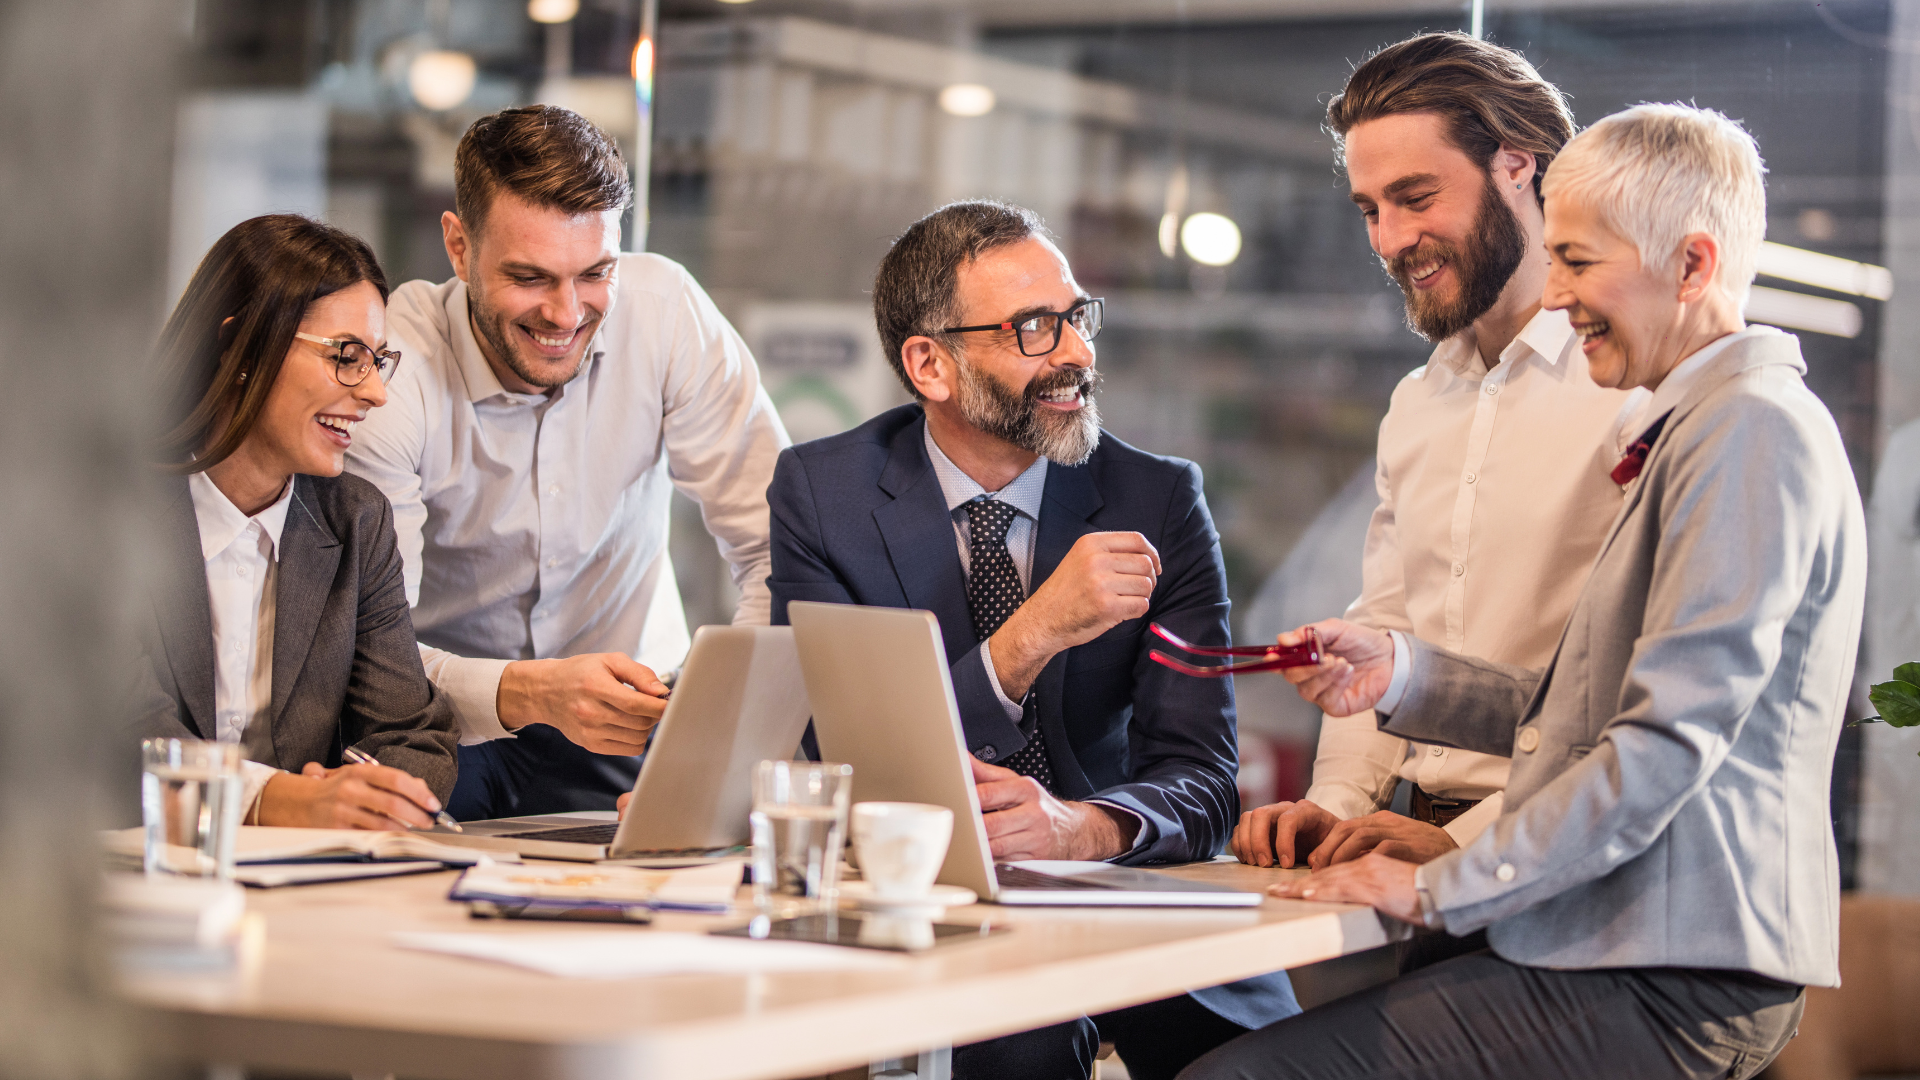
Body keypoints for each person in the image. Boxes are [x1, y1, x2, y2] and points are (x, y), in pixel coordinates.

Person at [1184, 105, 1863, 1080]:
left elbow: (1667, 744)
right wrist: (1402, 675)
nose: (1557, 294)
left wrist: (1440, 886)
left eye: (1579, 262)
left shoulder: (1750, 432)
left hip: (1667, 967)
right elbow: (1580, 713)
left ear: (1694, 266)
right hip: (1617, 943)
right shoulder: (1697, 426)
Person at [767, 200, 1297, 1080]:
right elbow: (834, 754)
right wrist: (1032, 634)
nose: (1078, 354)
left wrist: (1081, 829)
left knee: (1269, 1062)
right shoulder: (824, 494)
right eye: (1034, 329)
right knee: (1012, 1042)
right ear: (930, 364)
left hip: (1126, 898)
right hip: (924, 896)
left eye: (1077, 318)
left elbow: (1205, 781)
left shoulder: (1157, 498)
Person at [1230, 36, 1641, 946]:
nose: (1389, 239)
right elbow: (1385, 636)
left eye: (1417, 198)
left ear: (1518, 167)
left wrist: (1454, 843)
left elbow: (1639, 709)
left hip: (1556, 875)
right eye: (1369, 209)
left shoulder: (1630, 391)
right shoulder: (1418, 402)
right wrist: (1335, 805)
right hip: (1400, 850)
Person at [345, 105, 790, 819]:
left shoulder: (667, 311)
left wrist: (713, 729)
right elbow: (369, 650)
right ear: (458, 249)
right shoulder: (391, 372)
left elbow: (780, 549)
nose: (565, 313)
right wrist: (530, 692)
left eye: (594, 274)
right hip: (442, 728)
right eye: (529, 277)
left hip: (639, 728)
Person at [133, 214, 458, 828]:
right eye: (346, 356)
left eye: (377, 361)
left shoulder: (357, 520)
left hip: (298, 882)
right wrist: (281, 801)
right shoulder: (106, 513)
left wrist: (369, 797)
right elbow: (111, 739)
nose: (375, 393)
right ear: (241, 345)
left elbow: (414, 735)